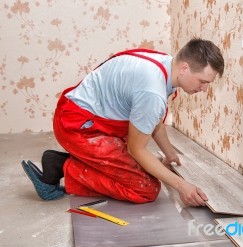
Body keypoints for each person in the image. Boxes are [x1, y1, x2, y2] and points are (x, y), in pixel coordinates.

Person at [21, 38, 224, 206]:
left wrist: (169, 152)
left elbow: (153, 120)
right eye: (203, 82)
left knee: (148, 168)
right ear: (184, 68)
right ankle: (60, 166)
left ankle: (79, 160)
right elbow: (137, 149)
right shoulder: (151, 91)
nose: (204, 89)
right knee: (145, 188)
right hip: (78, 128)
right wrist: (182, 186)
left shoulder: (165, 64)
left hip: (82, 115)